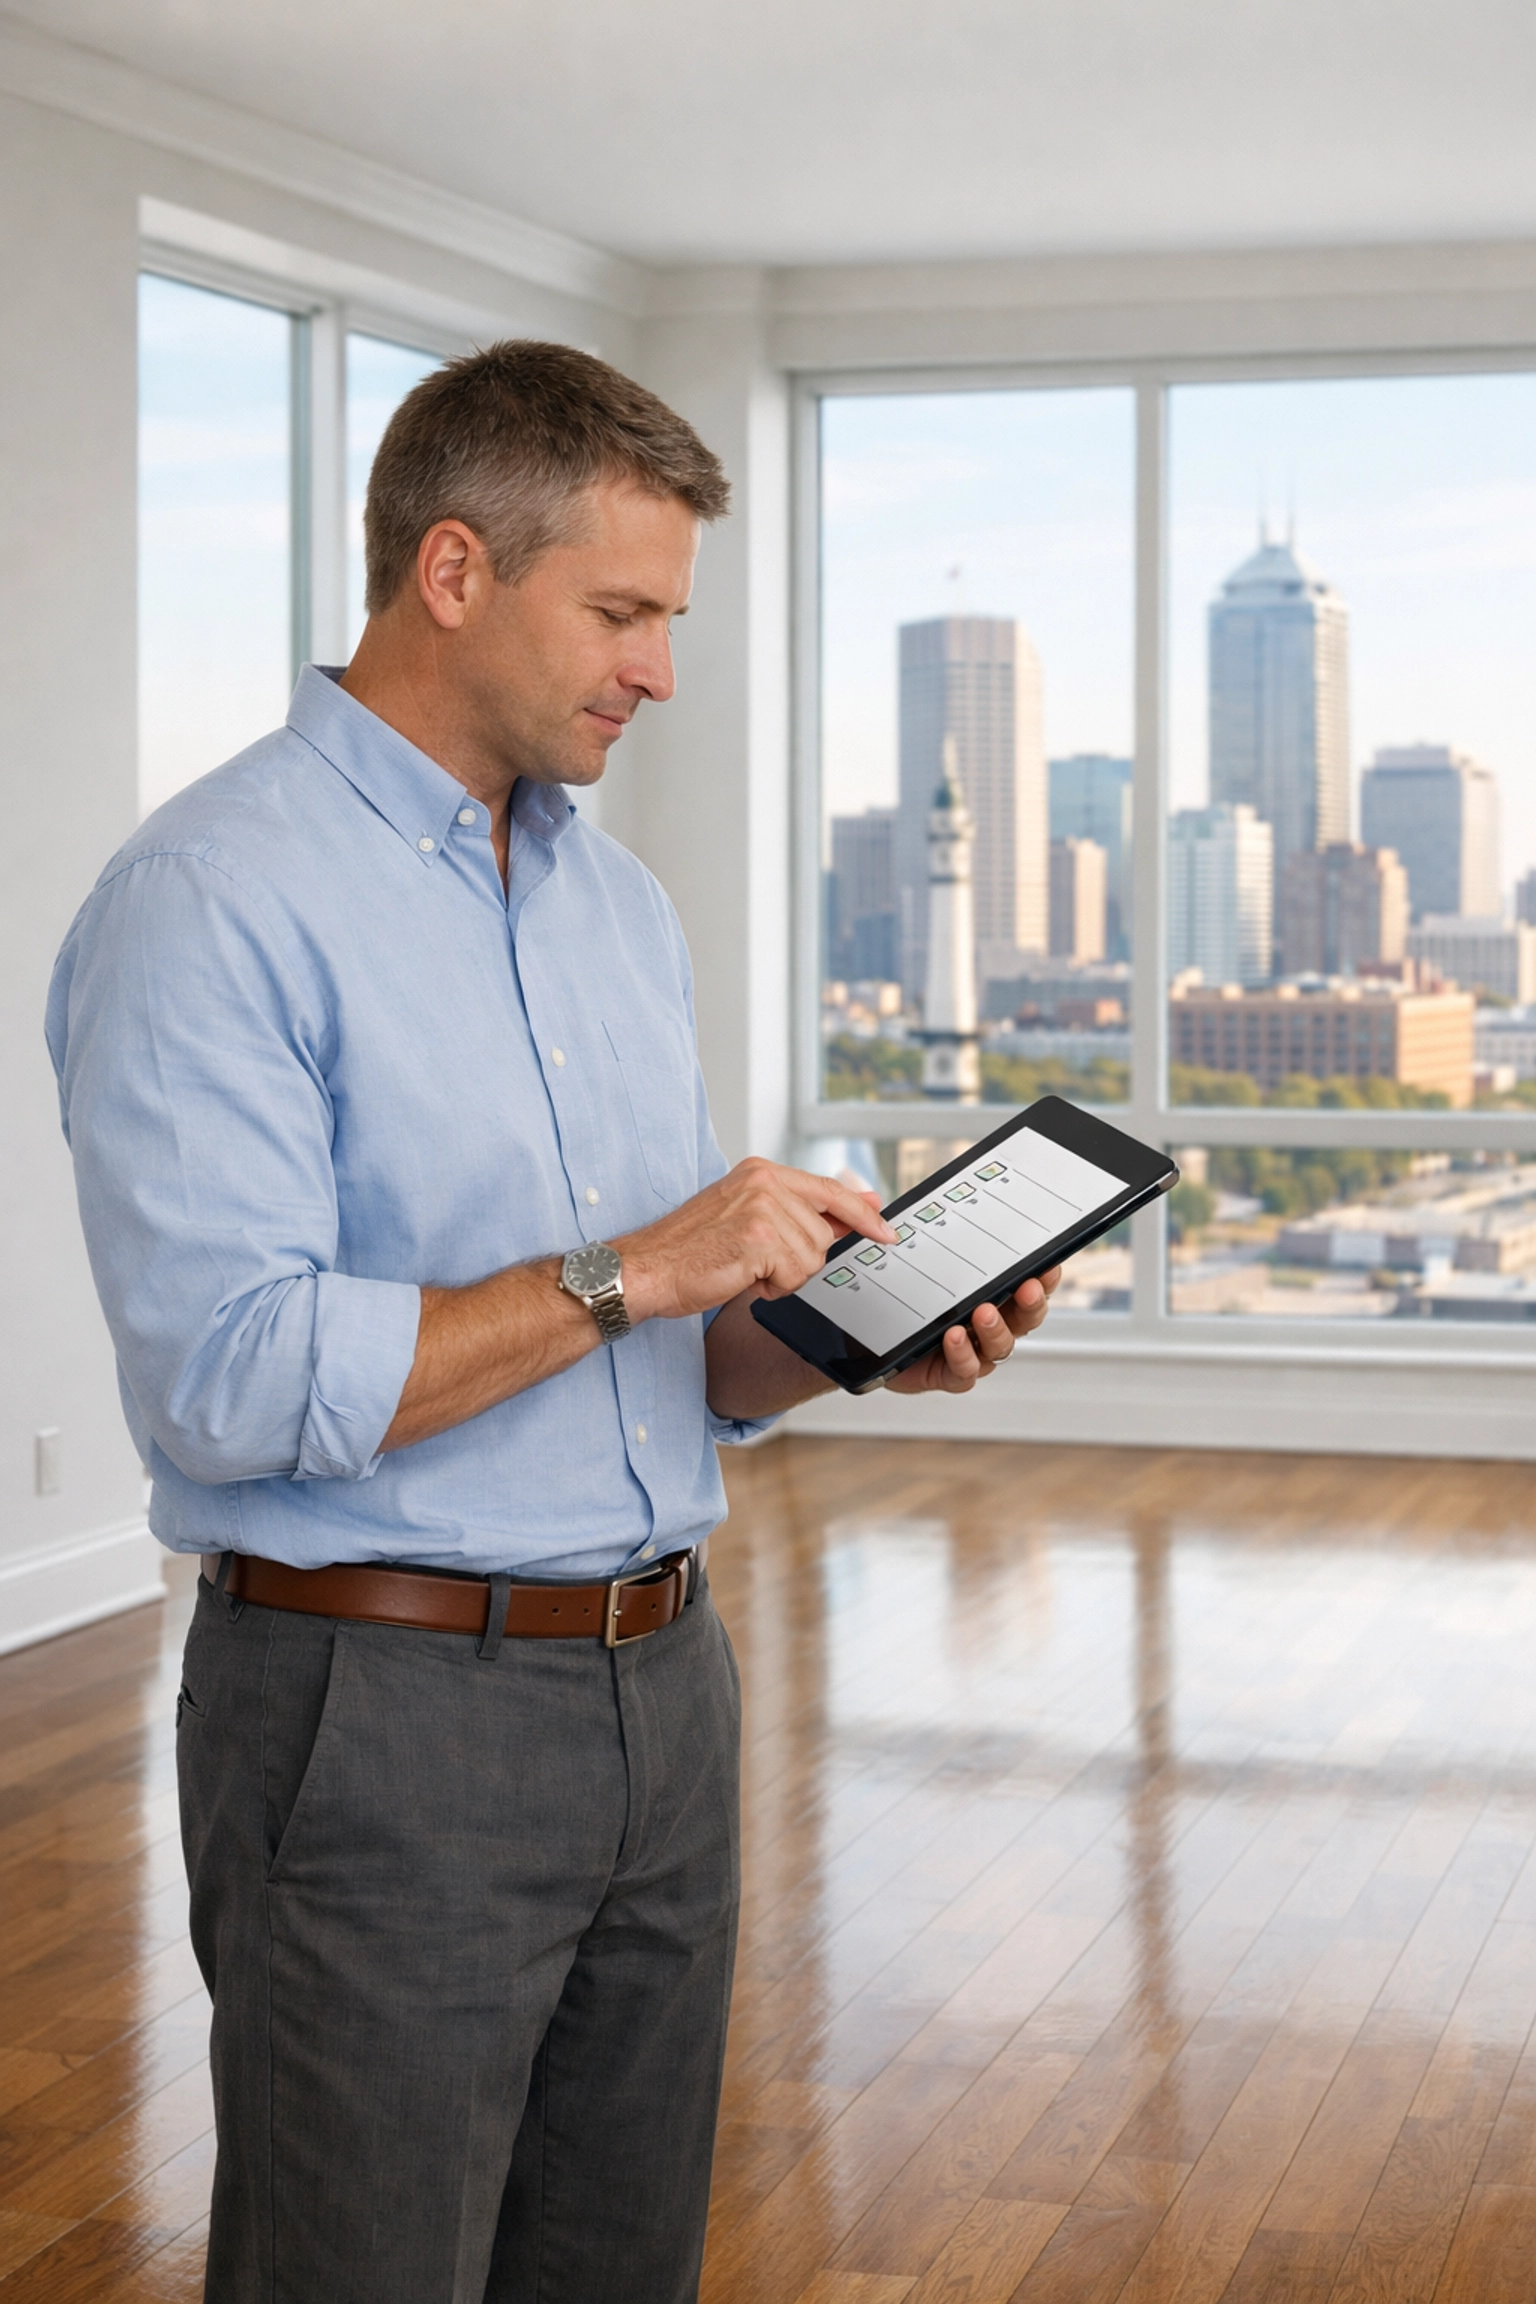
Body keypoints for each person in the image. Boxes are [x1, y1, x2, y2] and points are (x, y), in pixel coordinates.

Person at [46, 340, 1060, 2304]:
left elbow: (672, 1353)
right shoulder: (210, 898)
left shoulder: (615, 910)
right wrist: (636, 1265)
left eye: (670, 616)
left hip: (667, 1691)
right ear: (452, 574)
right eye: (622, 610)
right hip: (381, 1718)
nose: (659, 668)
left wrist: (854, 1329)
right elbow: (231, 1378)